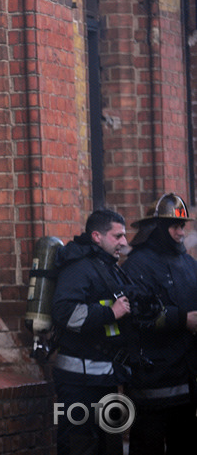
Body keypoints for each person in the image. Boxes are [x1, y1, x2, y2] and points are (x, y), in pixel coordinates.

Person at [51, 208, 133, 455]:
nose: (124, 242)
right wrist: (110, 313)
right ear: (97, 236)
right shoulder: (78, 267)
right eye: (117, 236)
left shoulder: (108, 267)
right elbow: (64, 313)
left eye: (124, 236)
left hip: (105, 378)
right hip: (77, 383)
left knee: (111, 447)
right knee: (78, 445)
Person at [121, 193, 197, 455]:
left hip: (187, 381)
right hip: (152, 383)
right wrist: (182, 319)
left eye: (182, 226)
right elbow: (137, 315)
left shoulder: (188, 263)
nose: (180, 232)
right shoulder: (137, 266)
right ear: (158, 228)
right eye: (175, 226)